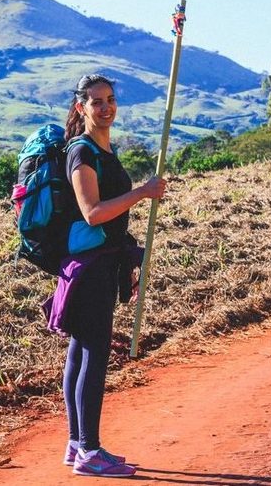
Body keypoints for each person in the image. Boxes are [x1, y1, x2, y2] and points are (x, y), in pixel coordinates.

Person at [60, 74, 166, 477]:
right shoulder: (82, 153)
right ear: (80, 108)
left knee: (80, 351)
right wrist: (142, 192)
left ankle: (76, 444)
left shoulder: (103, 150)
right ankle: (89, 450)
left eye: (110, 100)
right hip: (90, 267)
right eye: (96, 102)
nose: (105, 107)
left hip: (101, 260)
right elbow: (93, 212)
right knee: (94, 353)